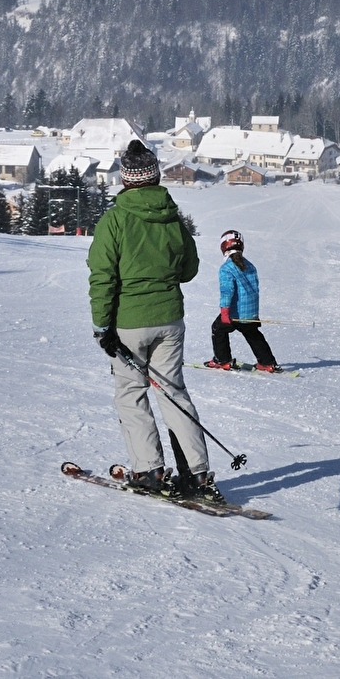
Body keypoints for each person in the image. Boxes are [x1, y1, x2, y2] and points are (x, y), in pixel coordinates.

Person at [88, 140, 225, 504]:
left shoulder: (114, 220)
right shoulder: (171, 218)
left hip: (129, 323)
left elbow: (103, 277)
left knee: (132, 394)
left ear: (126, 178)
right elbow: (189, 269)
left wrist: (103, 327)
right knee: (173, 393)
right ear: (154, 175)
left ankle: (149, 470)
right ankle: (196, 474)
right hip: (170, 320)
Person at [204, 229, 282, 373]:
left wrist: (225, 311)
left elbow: (227, 291)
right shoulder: (250, 265)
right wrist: (253, 312)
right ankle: (267, 362)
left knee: (218, 329)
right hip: (250, 311)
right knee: (252, 333)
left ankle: (223, 360)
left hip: (235, 312)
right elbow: (254, 289)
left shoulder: (227, 268)